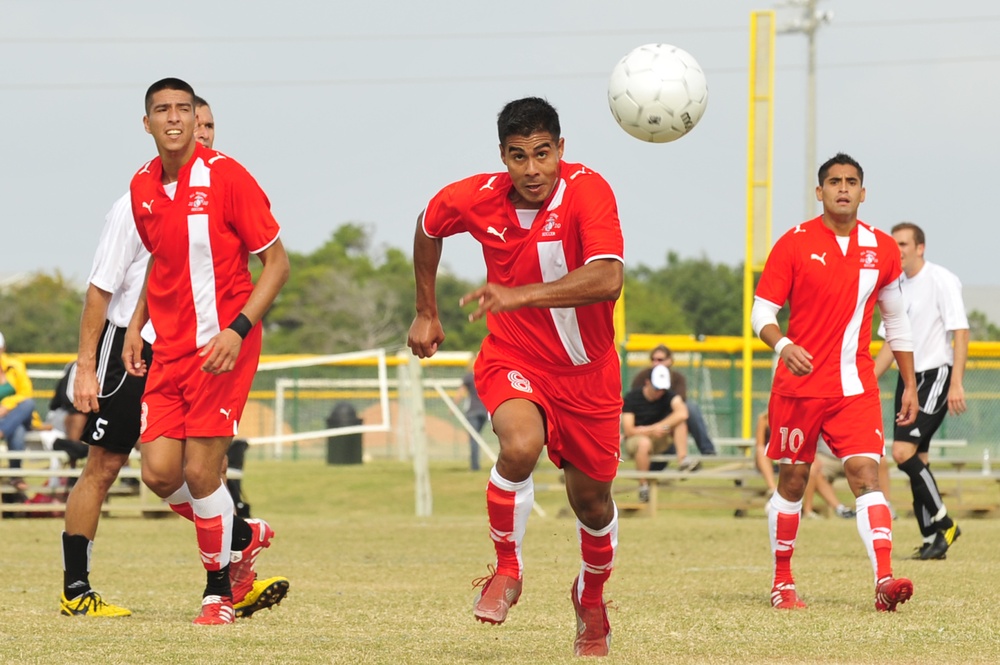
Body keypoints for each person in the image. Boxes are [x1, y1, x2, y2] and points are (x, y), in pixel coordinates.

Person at [407, 97, 622, 657]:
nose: (532, 169)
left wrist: (518, 294)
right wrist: (426, 309)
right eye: (518, 156)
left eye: (543, 154)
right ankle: (506, 571)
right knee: (520, 445)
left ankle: (590, 597)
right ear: (502, 156)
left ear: (561, 151)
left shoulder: (588, 191)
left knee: (593, 505)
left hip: (589, 376)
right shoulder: (477, 197)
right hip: (515, 357)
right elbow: (429, 224)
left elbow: (607, 279)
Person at [60, 94, 288, 620]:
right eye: (172, 114)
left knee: (201, 468)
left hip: (205, 346)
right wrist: (100, 355)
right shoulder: (137, 193)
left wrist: (235, 328)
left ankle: (221, 588)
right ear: (149, 123)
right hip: (132, 347)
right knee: (134, 468)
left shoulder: (225, 180)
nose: (192, 128)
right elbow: (111, 282)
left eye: (202, 120)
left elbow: (270, 262)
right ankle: (79, 587)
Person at [751, 152, 918, 612]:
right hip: (798, 388)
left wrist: (909, 384)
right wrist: (784, 346)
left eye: (851, 181)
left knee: (866, 474)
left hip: (855, 387)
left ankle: (884, 580)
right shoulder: (794, 243)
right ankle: (782, 581)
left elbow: (897, 323)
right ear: (819, 191)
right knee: (793, 480)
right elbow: (761, 313)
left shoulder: (883, 249)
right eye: (833, 181)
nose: (842, 188)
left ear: (863, 193)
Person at [874, 221, 968, 560]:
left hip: (935, 376)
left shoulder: (941, 280)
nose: (897, 250)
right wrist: (867, 379)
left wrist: (956, 381)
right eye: (893, 244)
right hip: (908, 381)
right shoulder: (895, 285)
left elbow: (960, 332)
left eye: (903, 244)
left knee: (901, 452)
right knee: (918, 458)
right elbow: (891, 342)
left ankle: (945, 523)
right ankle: (934, 539)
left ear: (920, 248)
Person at [622, 365, 694, 502]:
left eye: (663, 389)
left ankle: (683, 460)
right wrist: (651, 430)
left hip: (659, 438)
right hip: (637, 439)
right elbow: (629, 430)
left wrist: (659, 427)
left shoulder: (668, 396)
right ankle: (643, 486)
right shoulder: (632, 397)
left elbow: (683, 413)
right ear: (647, 383)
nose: (660, 392)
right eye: (657, 388)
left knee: (680, 423)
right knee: (644, 443)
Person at [644, 344, 717, 455]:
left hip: (670, 419)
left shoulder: (677, 378)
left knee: (688, 411)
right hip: (649, 419)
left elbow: (680, 406)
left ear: (670, 361)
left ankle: (705, 450)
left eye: (660, 359)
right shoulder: (643, 377)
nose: (656, 363)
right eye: (653, 359)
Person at [0, 331, 36, 493]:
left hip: (17, 412)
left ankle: (2, 431)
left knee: (28, 404)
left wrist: (6, 406)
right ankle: (16, 475)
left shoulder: (15, 365)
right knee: (17, 430)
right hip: (9, 421)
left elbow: (26, 394)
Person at [455, 359, 488, 471]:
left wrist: (453, 405)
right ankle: (476, 464)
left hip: (473, 411)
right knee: (477, 437)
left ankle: (475, 466)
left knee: (474, 439)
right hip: (484, 411)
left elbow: (461, 392)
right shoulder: (484, 376)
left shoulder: (468, 377)